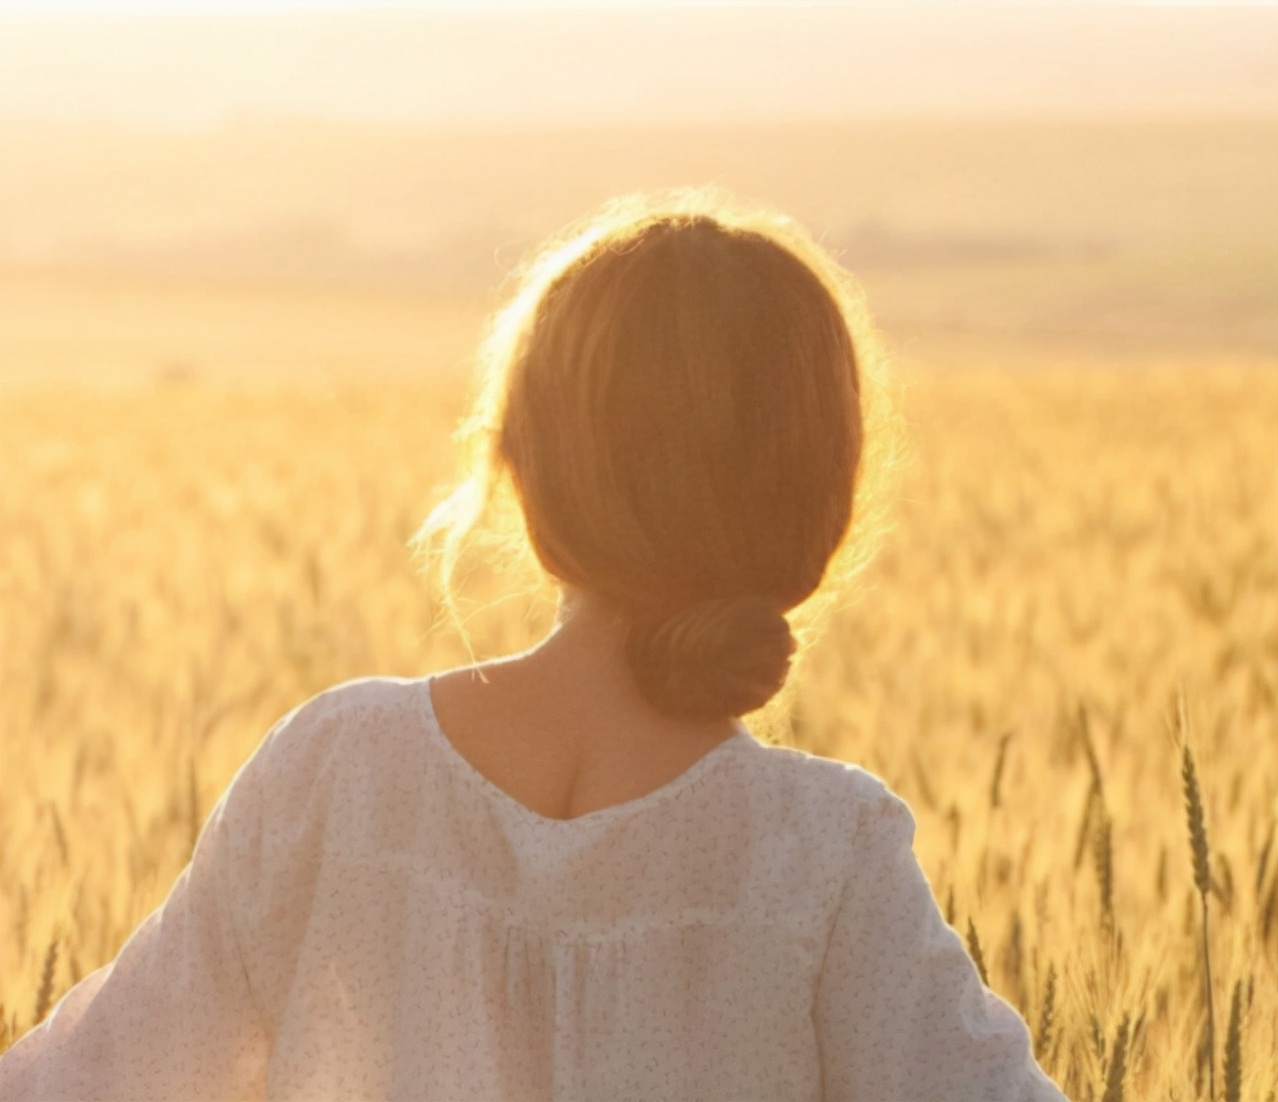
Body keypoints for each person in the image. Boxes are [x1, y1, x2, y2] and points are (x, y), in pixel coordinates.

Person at [0, 192, 1067, 1101]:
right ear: (816, 501)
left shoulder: (341, 773)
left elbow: (84, 1080)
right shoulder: (820, 856)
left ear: (518, 462)